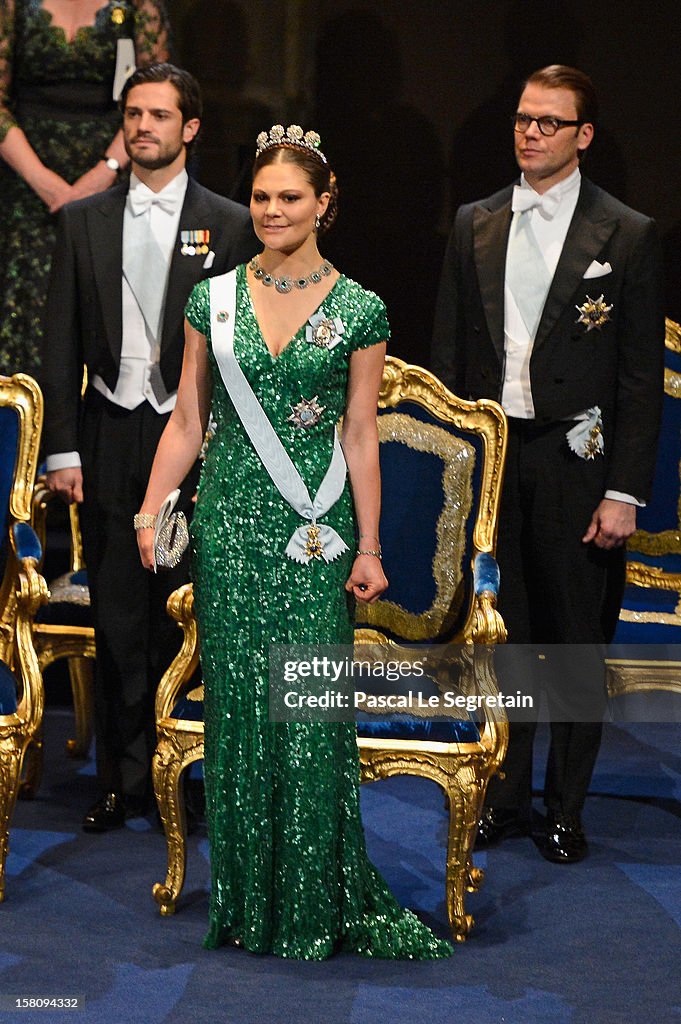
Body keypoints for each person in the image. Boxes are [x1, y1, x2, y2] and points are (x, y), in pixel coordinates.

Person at [136, 125, 452, 959]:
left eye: (290, 198)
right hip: (231, 530)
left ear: (324, 202)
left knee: (307, 715)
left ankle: (312, 898)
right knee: (240, 717)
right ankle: (248, 903)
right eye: (263, 196)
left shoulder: (359, 309)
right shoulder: (212, 298)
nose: (272, 211)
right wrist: (150, 508)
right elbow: (189, 421)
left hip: (314, 533)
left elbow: (359, 433)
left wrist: (372, 546)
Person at [432, 65, 664, 863]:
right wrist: (452, 477)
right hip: (496, 459)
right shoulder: (473, 222)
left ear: (582, 135)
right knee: (503, 636)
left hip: (578, 463)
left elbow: (639, 379)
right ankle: (504, 795)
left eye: (548, 122)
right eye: (523, 119)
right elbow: (449, 358)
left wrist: (624, 491)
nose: (529, 133)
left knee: (569, 641)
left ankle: (564, 808)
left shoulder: (625, 233)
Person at [40, 62, 257, 832]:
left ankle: (186, 776)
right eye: (132, 114)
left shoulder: (229, 223)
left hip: (191, 435)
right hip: (106, 430)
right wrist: (60, 450)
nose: (142, 128)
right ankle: (121, 782)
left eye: (158, 115)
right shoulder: (83, 219)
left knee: (183, 609)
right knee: (117, 615)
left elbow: (240, 352)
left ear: (190, 128)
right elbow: (58, 344)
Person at [0, 0, 172, 378]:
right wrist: (41, 180)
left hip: (110, 168)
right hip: (25, 179)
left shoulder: (136, 5)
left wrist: (105, 171)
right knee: (24, 310)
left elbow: (157, 93)